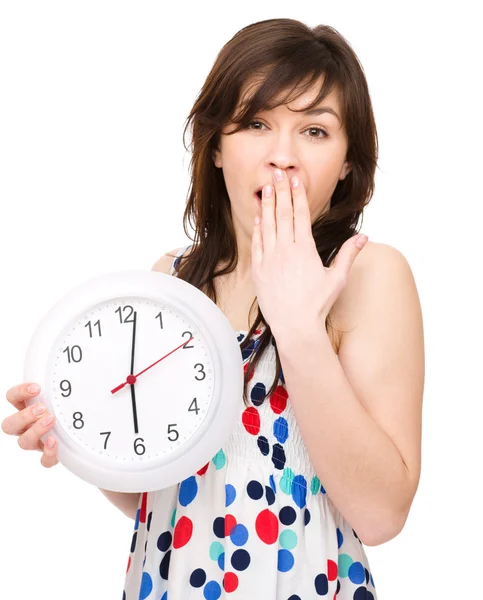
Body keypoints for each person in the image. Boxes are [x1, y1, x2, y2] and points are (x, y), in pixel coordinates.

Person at [3, 18, 424, 599]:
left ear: (349, 160)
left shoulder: (369, 276)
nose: (283, 156)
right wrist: (76, 438)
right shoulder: (171, 280)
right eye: (256, 123)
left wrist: (298, 327)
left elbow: (381, 515)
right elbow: (165, 495)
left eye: (316, 131)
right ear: (218, 146)